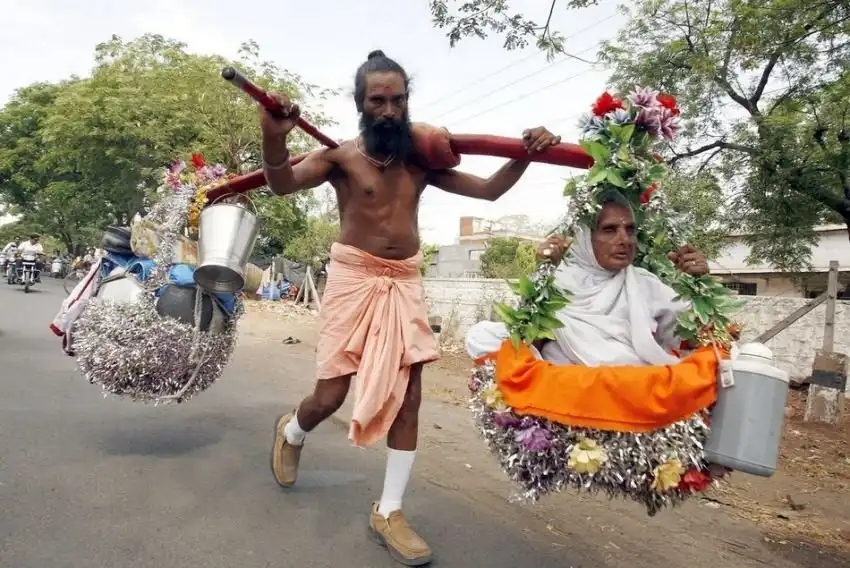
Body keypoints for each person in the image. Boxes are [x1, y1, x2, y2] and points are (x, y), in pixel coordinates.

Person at [262, 49, 560, 566]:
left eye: (397, 101)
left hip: (403, 283)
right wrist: (274, 136)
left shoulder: (420, 162)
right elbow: (281, 183)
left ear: (407, 102)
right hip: (354, 281)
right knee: (331, 395)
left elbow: (489, 191)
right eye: (377, 101)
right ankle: (292, 430)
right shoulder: (339, 159)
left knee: (410, 396)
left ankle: (390, 510)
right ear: (360, 104)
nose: (389, 111)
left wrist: (525, 154)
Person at [465, 190, 710, 366]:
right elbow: (525, 339)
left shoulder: (645, 284)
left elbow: (695, 338)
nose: (624, 240)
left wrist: (698, 287)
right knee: (482, 337)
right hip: (570, 397)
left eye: (630, 229)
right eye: (610, 230)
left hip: (637, 395)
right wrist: (542, 273)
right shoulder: (556, 282)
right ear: (584, 238)